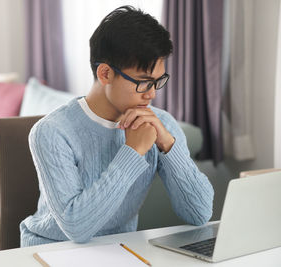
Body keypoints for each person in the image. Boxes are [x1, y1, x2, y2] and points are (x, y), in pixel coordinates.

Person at [20, 5, 214, 247]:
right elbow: (77, 229)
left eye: (158, 81)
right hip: (52, 250)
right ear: (105, 74)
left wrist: (168, 145)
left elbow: (200, 213)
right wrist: (132, 152)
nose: (152, 94)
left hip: (120, 250)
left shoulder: (160, 125)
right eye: (143, 82)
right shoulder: (52, 132)